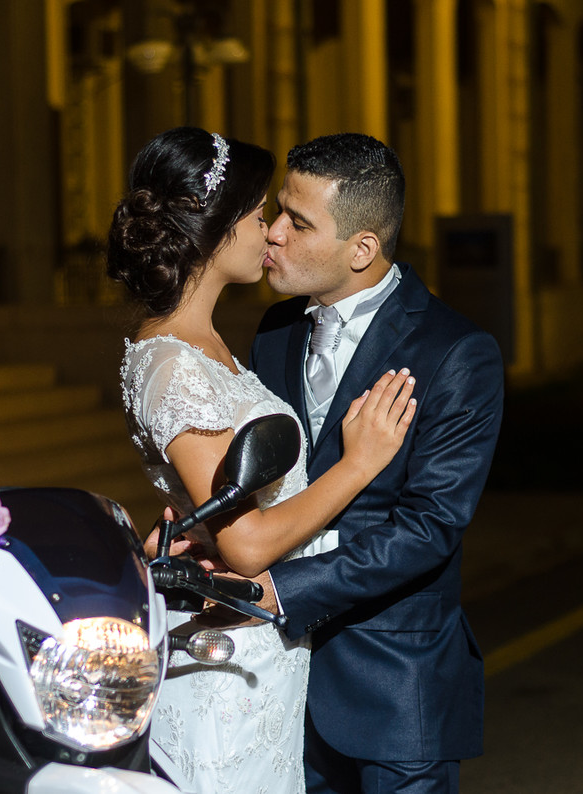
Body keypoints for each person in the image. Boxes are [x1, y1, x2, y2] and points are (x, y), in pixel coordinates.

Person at [107, 126, 417, 794]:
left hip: (266, 654)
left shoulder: (211, 341)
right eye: (258, 216)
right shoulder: (172, 364)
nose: (272, 232)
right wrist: (358, 464)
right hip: (226, 662)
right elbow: (245, 545)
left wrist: (187, 527)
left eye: (285, 219)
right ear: (216, 231)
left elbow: (219, 502)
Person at [250, 133, 504, 794]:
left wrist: (286, 589)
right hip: (278, 687)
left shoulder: (456, 352)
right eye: (278, 211)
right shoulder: (274, 332)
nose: (273, 232)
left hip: (397, 690)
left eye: (299, 221)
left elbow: (430, 526)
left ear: (362, 249)